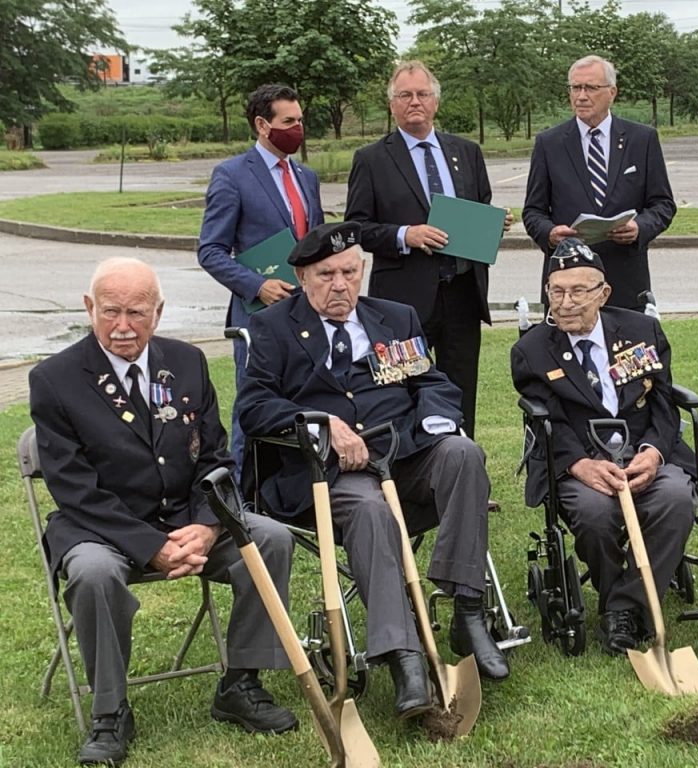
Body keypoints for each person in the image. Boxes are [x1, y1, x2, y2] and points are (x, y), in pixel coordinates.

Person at [236, 222, 509, 721]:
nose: (339, 285)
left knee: (463, 456)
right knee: (368, 508)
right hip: (329, 474)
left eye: (348, 272)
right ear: (301, 276)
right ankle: (403, 656)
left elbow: (434, 382)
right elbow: (253, 408)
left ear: (362, 271)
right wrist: (321, 423)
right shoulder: (272, 328)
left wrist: (435, 423)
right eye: (325, 275)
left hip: (403, 456)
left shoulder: (396, 317)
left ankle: (467, 609)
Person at [29, 257, 297, 766]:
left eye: (137, 312)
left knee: (271, 539)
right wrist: (151, 547)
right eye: (110, 312)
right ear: (89, 308)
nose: (124, 326)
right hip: (100, 529)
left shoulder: (188, 363)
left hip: (186, 519)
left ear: (158, 312)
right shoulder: (54, 379)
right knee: (91, 574)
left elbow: (215, 459)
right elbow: (74, 491)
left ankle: (241, 685)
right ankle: (110, 712)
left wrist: (205, 523)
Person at [510, 238, 696, 655]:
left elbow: (664, 401)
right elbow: (547, 421)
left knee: (676, 498)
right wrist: (579, 464)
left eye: (578, 291)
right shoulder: (532, 351)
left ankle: (622, 609)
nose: (566, 302)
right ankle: (629, 607)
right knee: (595, 514)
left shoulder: (640, 330)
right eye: (556, 292)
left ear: (603, 294)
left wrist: (654, 452)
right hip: (581, 459)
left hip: (644, 453)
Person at [345, 60, 510, 439]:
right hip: (403, 302)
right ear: (392, 105)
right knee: (401, 389)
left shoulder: (466, 151)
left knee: (460, 388)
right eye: (405, 95)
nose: (414, 102)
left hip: (463, 293)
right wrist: (406, 235)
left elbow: (480, 207)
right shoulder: (371, 159)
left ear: (436, 101)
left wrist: (494, 223)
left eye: (422, 94)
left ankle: (461, 472)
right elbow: (356, 228)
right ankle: (408, 477)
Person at [198, 83, 325, 467]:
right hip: (258, 317)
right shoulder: (232, 175)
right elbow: (210, 250)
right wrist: (257, 285)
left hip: (308, 312)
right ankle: (242, 500)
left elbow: (315, 241)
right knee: (253, 408)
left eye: (301, 120)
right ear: (262, 125)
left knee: (309, 401)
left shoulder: (307, 177)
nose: (298, 129)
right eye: (289, 121)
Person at [523, 55, 676, 311]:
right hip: (568, 280)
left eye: (591, 88)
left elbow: (663, 204)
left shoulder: (642, 139)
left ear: (612, 92)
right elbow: (533, 212)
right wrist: (549, 234)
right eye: (575, 87)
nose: (581, 96)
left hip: (626, 281)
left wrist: (639, 227)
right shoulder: (549, 143)